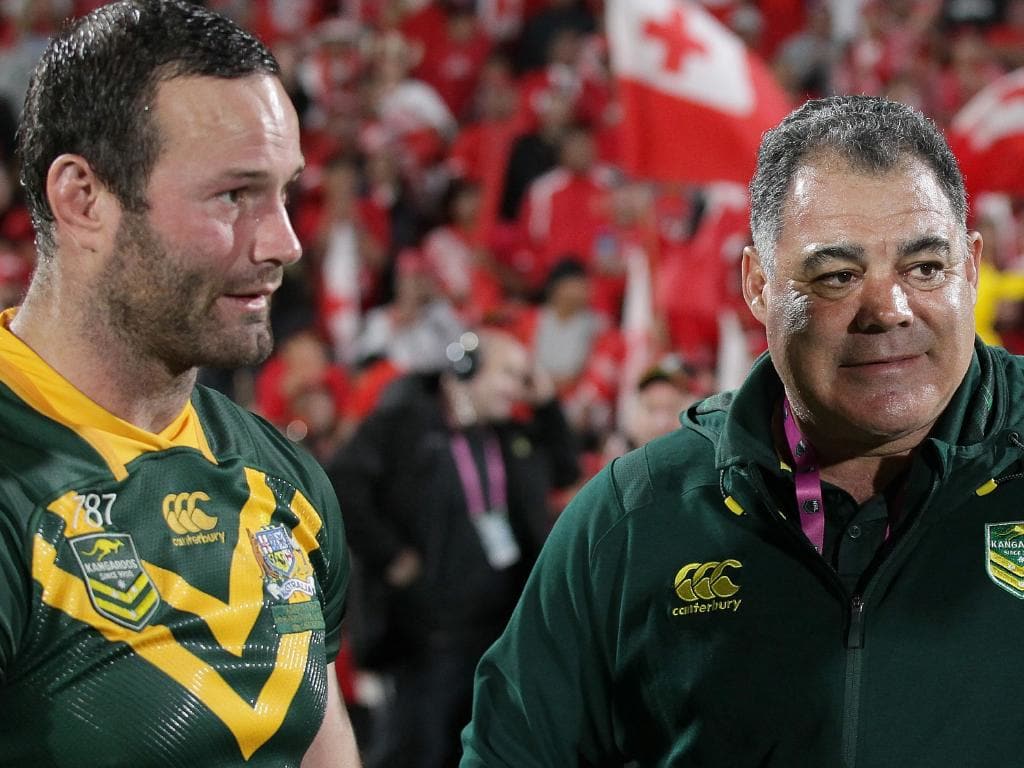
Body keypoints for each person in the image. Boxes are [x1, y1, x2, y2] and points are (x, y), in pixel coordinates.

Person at [459, 93, 1024, 766]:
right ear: (758, 284)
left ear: (969, 265)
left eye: (924, 267)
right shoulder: (635, 518)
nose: (889, 309)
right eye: (839, 276)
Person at [0, 2, 360, 766]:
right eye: (235, 195)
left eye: (285, 191)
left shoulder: (281, 478)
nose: (285, 243)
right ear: (83, 199)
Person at [330, 328, 579, 768]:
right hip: (425, 637)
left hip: (497, 633)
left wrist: (546, 402)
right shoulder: (401, 423)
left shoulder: (508, 435)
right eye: (509, 374)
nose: (517, 389)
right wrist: (391, 556)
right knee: (417, 753)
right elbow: (342, 486)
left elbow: (563, 469)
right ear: (466, 368)